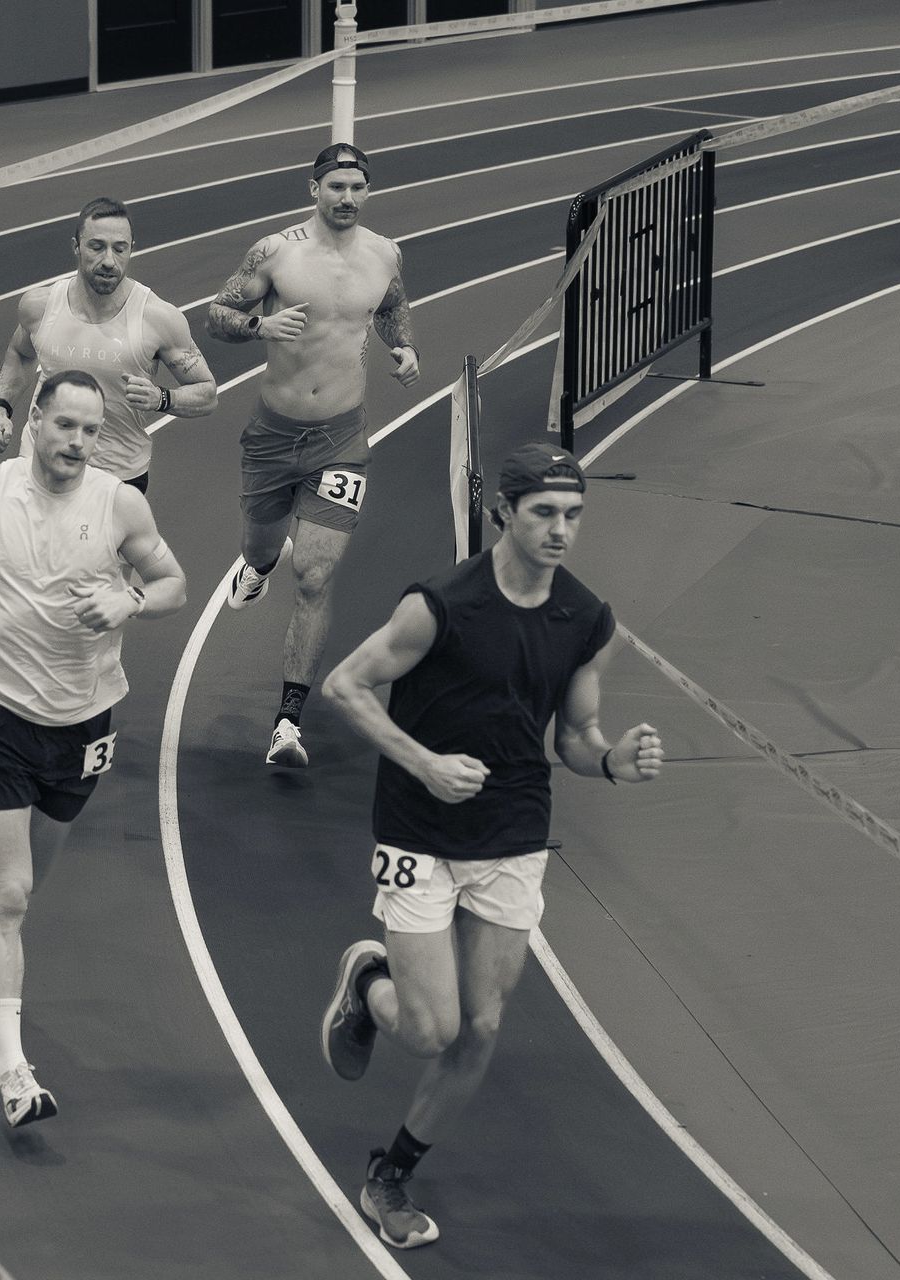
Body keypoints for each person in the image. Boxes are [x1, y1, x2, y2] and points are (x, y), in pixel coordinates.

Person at [315, 442, 664, 1249]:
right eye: (544, 513)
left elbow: (575, 736)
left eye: (573, 515)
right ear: (505, 512)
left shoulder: (586, 619)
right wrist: (425, 763)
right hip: (419, 829)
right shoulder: (440, 605)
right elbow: (346, 686)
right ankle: (368, 980)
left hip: (512, 832)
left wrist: (612, 761)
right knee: (429, 1031)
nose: (560, 531)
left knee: (480, 1028)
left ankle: (389, 1174)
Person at [0, 369, 188, 1127]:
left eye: (91, 430)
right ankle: (13, 1073)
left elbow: (174, 582)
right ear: (36, 421)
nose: (78, 442)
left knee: (33, 875)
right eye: (66, 426)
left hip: (84, 721)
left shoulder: (119, 504)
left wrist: (131, 599)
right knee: (10, 896)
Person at [206, 142, 420, 769]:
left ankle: (287, 721)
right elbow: (216, 314)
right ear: (314, 189)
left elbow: (391, 307)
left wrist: (404, 347)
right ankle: (257, 566)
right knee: (263, 548)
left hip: (341, 440)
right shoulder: (276, 253)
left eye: (357, 187)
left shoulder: (385, 254)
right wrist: (258, 327)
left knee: (315, 575)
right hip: (273, 436)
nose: (347, 198)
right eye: (336, 187)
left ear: (367, 190)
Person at [0, 196, 218, 491]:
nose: (109, 261)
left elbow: (207, 393)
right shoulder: (40, 306)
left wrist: (162, 398)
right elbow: (20, 353)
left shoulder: (157, 318)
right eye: (97, 247)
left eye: (119, 249)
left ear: (131, 249)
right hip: (40, 462)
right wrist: (2, 408)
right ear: (76, 247)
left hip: (115, 477)